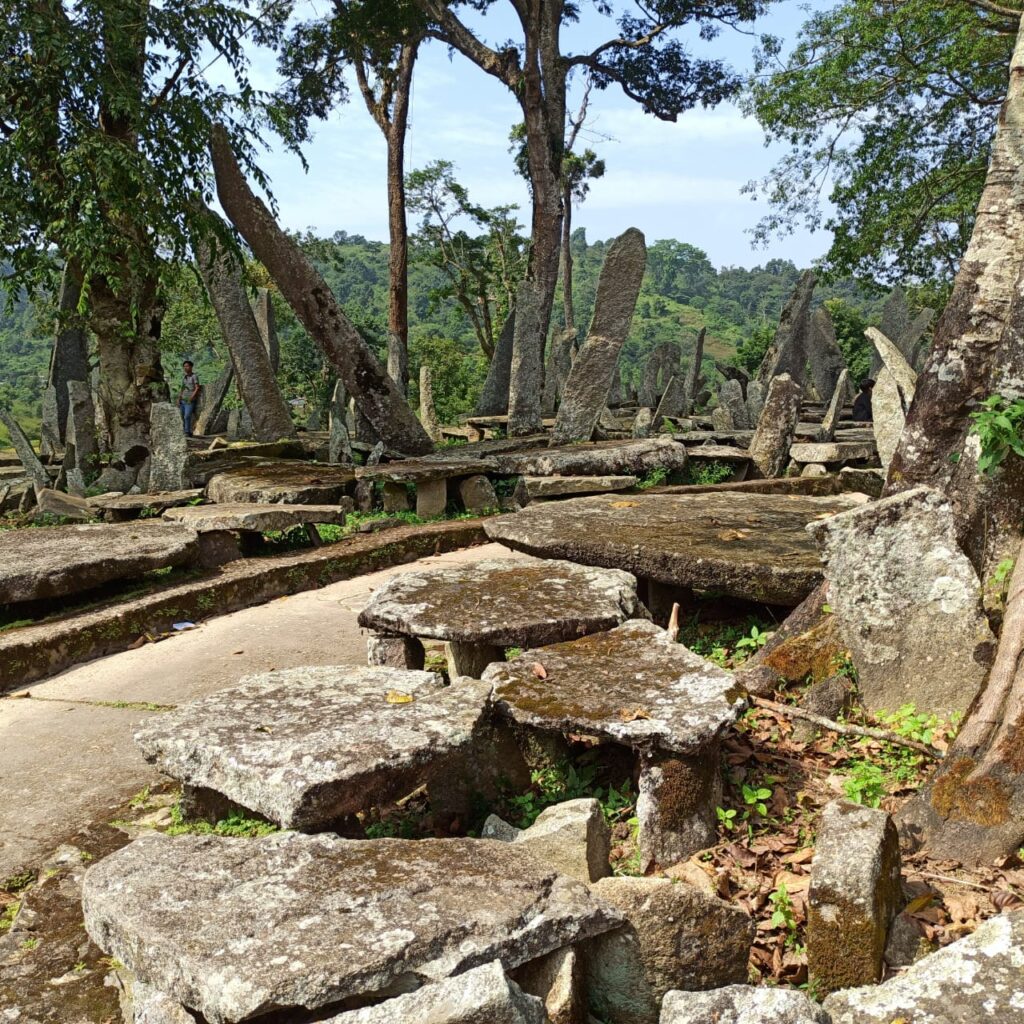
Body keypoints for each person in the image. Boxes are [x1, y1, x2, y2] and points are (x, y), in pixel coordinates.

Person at [178, 360, 201, 437]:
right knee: (182, 416)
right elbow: (183, 387)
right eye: (184, 366)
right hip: (183, 400)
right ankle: (186, 431)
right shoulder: (184, 377)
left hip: (190, 400)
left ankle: (187, 432)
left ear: (191, 367)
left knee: (187, 415)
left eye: (187, 366)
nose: (185, 368)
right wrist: (179, 397)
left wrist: (192, 397)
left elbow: (197, 387)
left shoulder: (194, 376)